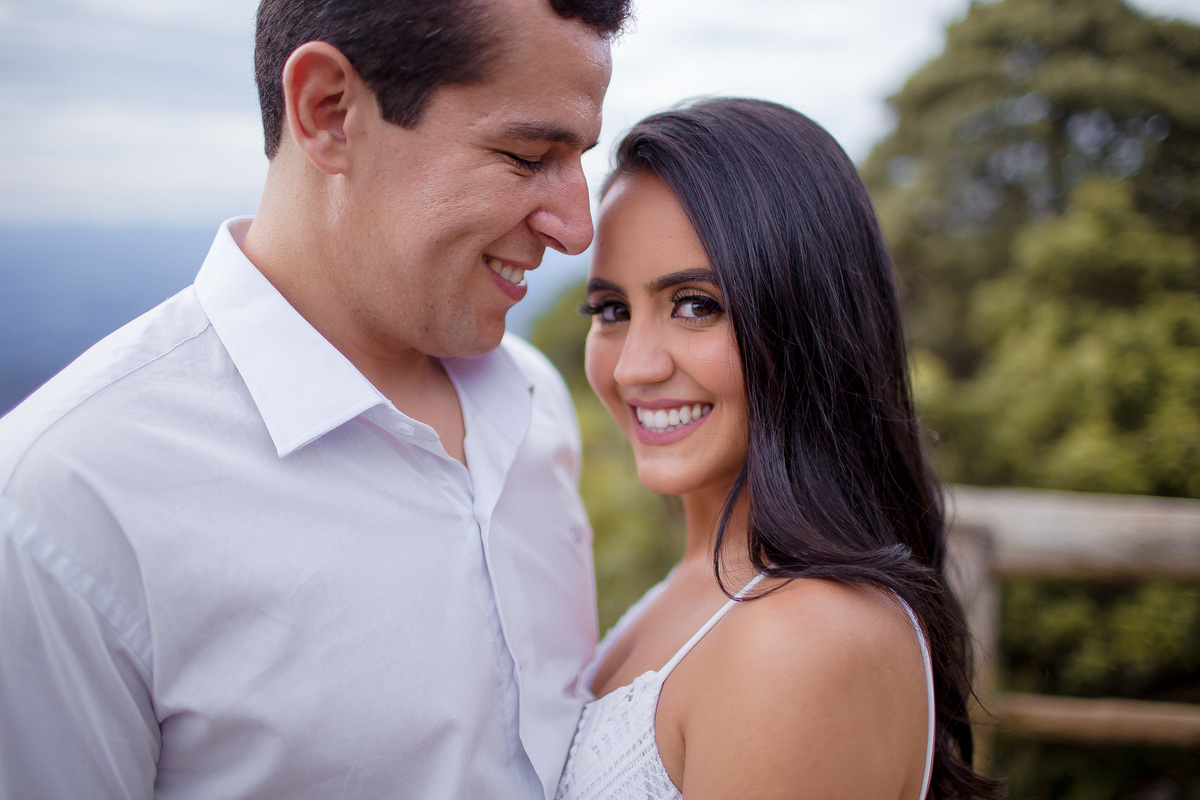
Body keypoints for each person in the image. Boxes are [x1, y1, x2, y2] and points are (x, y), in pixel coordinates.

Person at [0, 0, 630, 797]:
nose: (577, 229)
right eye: (527, 154)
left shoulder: (534, 397)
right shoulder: (62, 507)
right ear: (330, 112)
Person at [555, 98, 1007, 799]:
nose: (632, 366)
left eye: (696, 304)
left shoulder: (802, 638)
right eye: (611, 310)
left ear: (805, 316)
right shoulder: (695, 590)